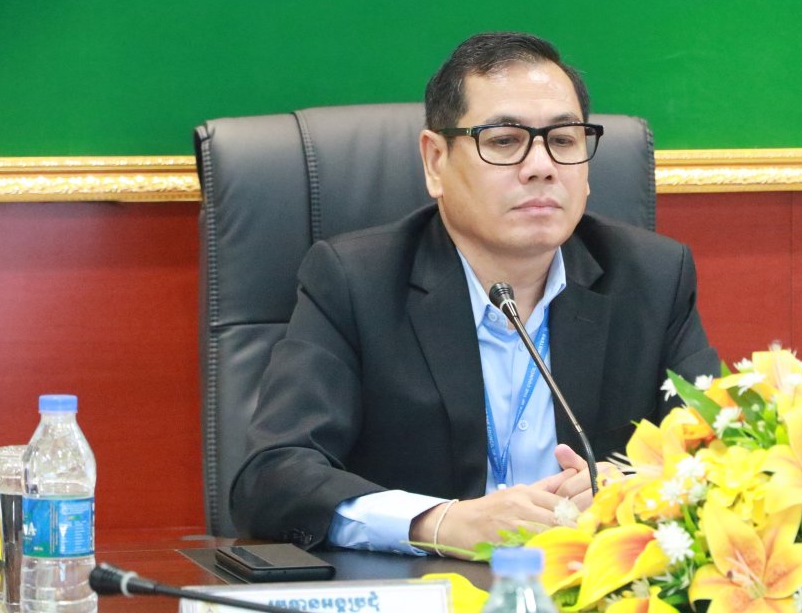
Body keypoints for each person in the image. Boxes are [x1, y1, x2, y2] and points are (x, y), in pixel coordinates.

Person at [230, 32, 718, 557]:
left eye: (563, 140)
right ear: (435, 161)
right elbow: (272, 478)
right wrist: (440, 523)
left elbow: (725, 455)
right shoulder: (356, 282)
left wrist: (634, 489)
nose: (541, 166)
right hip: (425, 585)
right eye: (504, 141)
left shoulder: (651, 278)